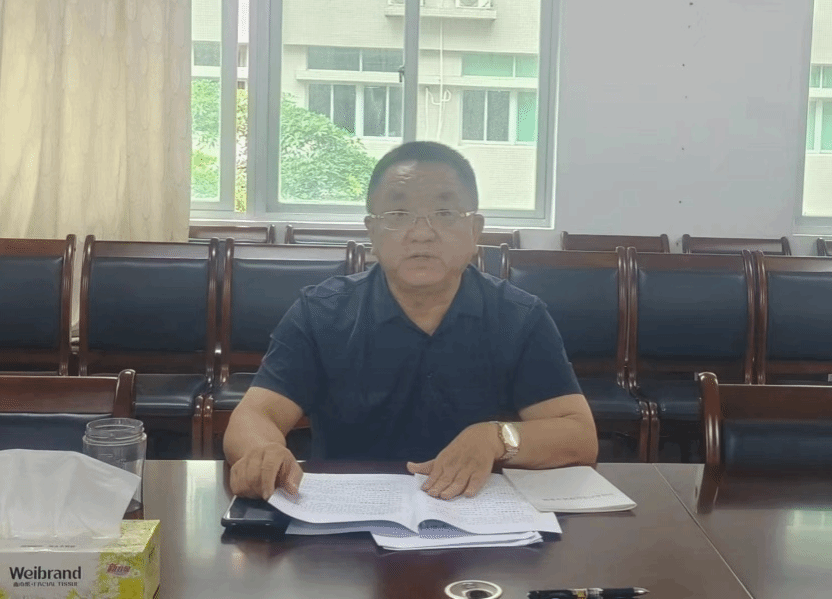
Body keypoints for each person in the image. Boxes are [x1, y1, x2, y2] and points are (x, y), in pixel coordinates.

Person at [224, 141, 598, 502]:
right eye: (398, 215)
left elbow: (579, 437)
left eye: (445, 213)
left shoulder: (518, 316)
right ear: (372, 232)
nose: (421, 233)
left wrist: (496, 438)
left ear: (475, 231)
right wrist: (263, 451)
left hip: (478, 513)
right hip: (347, 519)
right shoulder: (321, 313)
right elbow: (256, 413)